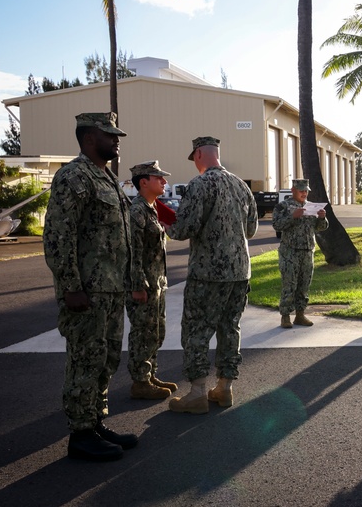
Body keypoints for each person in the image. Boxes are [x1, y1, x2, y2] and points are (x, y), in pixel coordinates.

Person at [43, 112, 138, 462]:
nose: (116, 140)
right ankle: (80, 434)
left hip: (111, 289)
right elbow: (57, 235)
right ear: (88, 138)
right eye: (109, 135)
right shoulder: (73, 176)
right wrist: (71, 286)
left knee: (106, 359)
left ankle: (96, 422)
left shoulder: (106, 178)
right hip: (87, 290)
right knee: (85, 359)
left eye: (117, 135)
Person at [165, 136, 259, 414]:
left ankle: (196, 393)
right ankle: (225, 388)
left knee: (196, 330)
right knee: (230, 328)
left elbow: (184, 229)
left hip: (207, 274)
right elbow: (251, 230)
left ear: (197, 155)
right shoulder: (242, 186)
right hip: (240, 272)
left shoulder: (200, 184)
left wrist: (166, 220)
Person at [126, 160, 178, 400]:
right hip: (144, 285)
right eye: (159, 178)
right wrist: (138, 285)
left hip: (156, 282)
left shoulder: (152, 208)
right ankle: (140, 381)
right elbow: (132, 251)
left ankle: (150, 375)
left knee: (156, 331)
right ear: (143, 182)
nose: (164, 181)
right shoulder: (136, 211)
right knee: (142, 333)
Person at [272, 178, 328, 329]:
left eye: (306, 191)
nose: (304, 193)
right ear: (293, 190)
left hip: (307, 251)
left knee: (304, 285)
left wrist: (322, 217)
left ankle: (300, 315)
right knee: (289, 284)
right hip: (289, 251)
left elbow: (321, 227)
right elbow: (276, 225)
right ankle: (285, 316)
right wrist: (292, 216)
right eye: (301, 190)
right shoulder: (283, 206)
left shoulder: (312, 207)